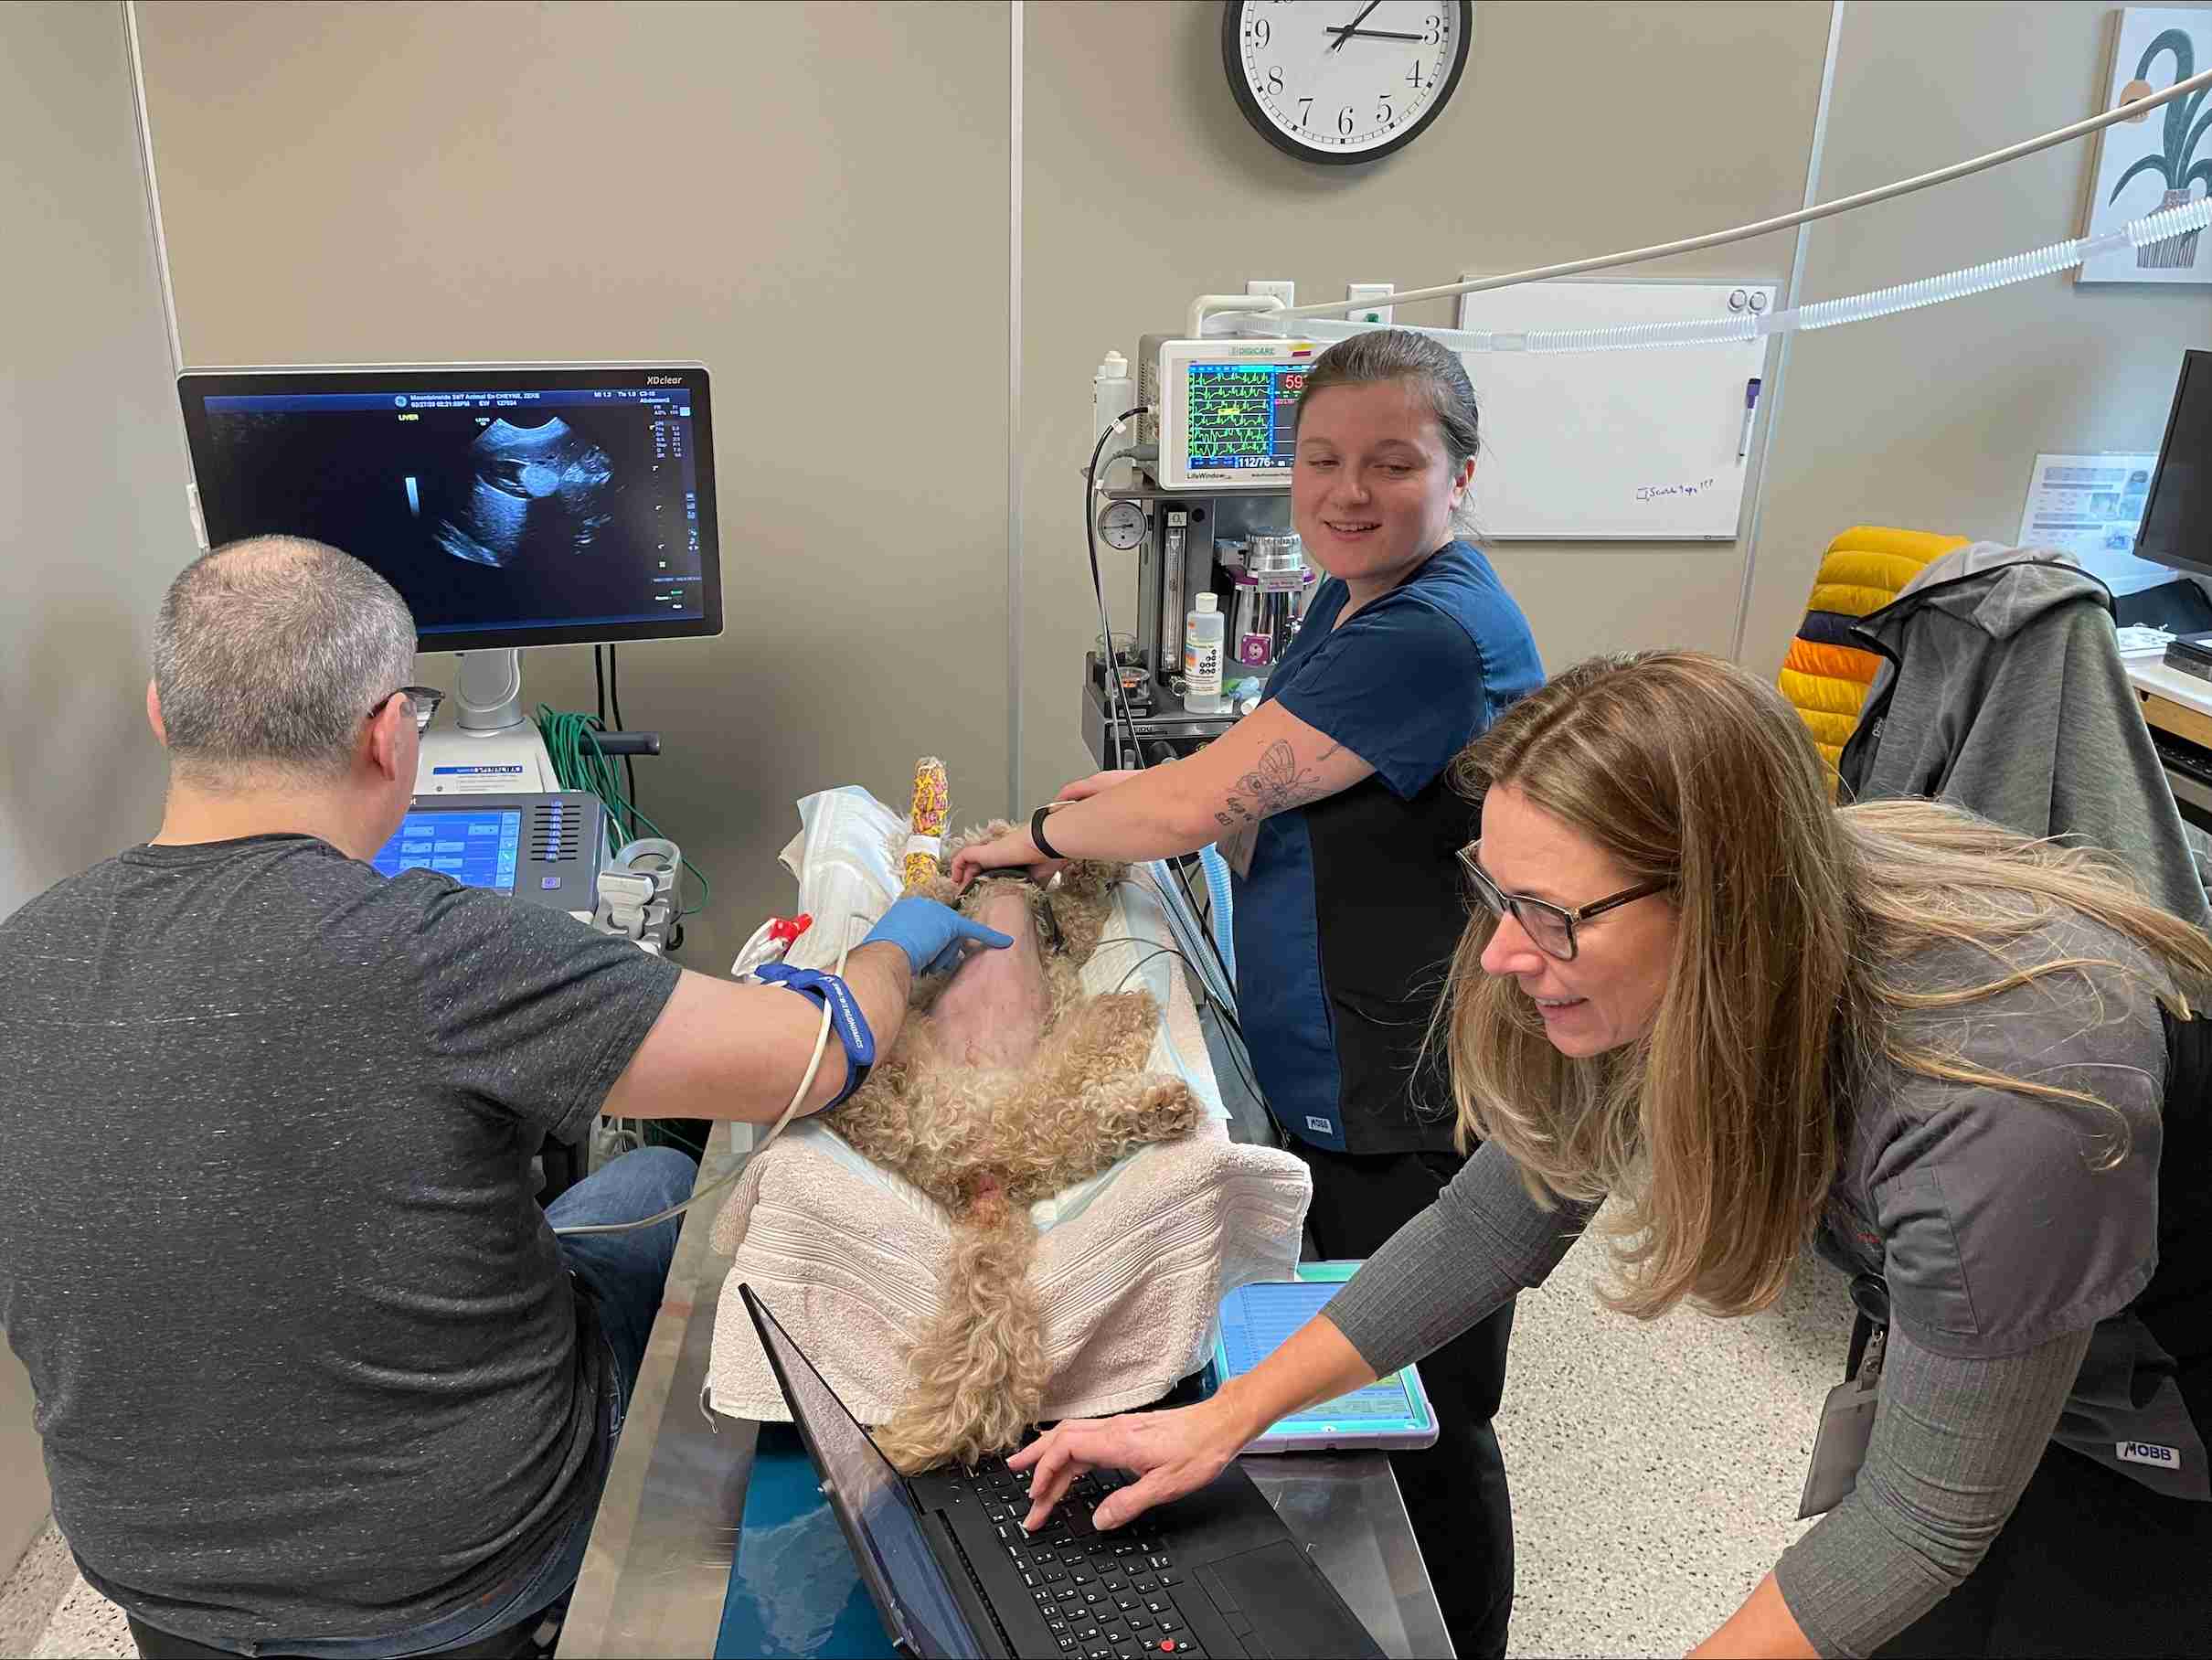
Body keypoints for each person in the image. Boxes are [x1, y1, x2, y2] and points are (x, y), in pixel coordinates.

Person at [1011, 650, 2212, 1659]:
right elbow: (1495, 1219)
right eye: (1499, 892)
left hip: (2164, 1383)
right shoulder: (1711, 942)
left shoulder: (2002, 1106)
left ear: (1721, 906)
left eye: (1554, 917)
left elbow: (1919, 1527)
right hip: (2004, 1279)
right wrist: (1226, 1420)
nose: (1499, 957)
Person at [0, 537, 1010, 1660]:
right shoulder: (443, 945)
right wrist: (897, 939)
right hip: (457, 1575)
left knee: (618, 1184)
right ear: (389, 733)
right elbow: (816, 1053)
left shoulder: (20, 955)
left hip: (159, 1577)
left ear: (161, 715)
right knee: (666, 1180)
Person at [953, 327, 1542, 1655]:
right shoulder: (1359, 597)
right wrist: (1136, 802)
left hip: (1405, 1078)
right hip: (1348, 1046)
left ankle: (1455, 1638)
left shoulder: (1433, 632)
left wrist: (1032, 839)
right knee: (1356, 1375)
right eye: (1322, 460)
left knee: (1425, 1409)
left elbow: (1215, 795)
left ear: (1463, 475)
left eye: (1393, 463)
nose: (1348, 491)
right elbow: (1269, 760)